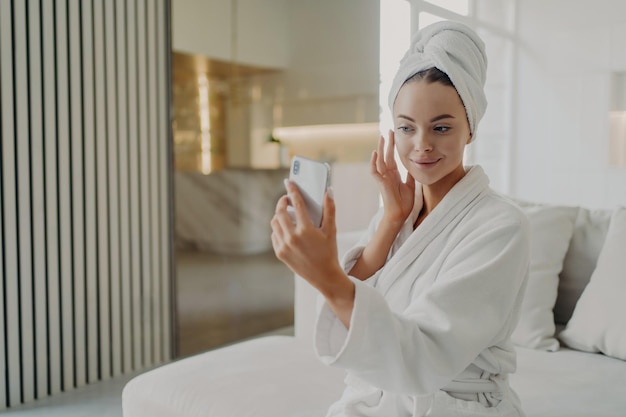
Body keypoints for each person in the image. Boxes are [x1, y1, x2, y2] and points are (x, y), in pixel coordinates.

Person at [270, 21, 530, 417]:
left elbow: (422, 357)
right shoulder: (396, 214)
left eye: (441, 127)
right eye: (406, 128)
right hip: (376, 399)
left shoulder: (501, 226)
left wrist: (325, 274)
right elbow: (352, 313)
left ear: (471, 129)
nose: (422, 145)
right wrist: (391, 220)